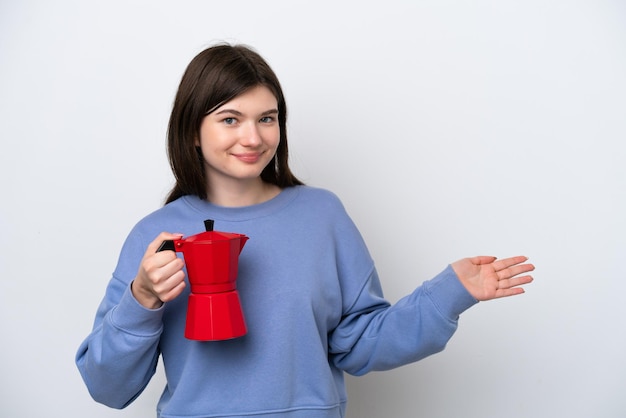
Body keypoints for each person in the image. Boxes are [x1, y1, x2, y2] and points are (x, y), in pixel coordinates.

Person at [75, 43, 534, 418]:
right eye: (230, 119)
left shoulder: (321, 215)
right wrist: (142, 298)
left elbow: (359, 344)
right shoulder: (156, 236)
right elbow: (107, 387)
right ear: (193, 131)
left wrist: (449, 293)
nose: (253, 138)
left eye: (267, 118)